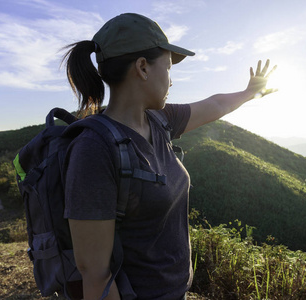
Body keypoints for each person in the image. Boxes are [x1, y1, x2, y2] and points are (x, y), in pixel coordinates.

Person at [62, 13, 275, 300]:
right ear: (143, 67)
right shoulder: (94, 149)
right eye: (169, 67)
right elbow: (95, 274)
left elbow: (215, 104)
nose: (172, 81)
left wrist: (250, 93)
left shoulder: (161, 120)